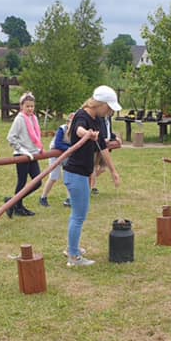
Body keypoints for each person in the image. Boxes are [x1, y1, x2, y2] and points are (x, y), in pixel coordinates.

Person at [63, 86, 122, 267]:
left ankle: (73, 248)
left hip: (83, 173)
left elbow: (103, 149)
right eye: (109, 107)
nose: (111, 111)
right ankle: (73, 256)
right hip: (75, 173)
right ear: (101, 104)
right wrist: (86, 134)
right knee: (78, 216)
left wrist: (113, 172)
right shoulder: (83, 115)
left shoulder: (98, 119)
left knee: (79, 214)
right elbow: (78, 129)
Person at [6, 92, 43, 217]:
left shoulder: (34, 118)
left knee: (37, 181)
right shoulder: (19, 119)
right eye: (27, 106)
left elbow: (35, 136)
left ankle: (13, 202)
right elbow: (11, 137)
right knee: (22, 181)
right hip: (22, 155)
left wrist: (38, 148)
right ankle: (18, 206)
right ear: (22, 106)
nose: (30, 109)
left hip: (33, 154)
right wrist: (21, 149)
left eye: (32, 106)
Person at [39, 113, 73, 208]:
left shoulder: (77, 131)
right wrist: (70, 148)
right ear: (68, 123)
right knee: (54, 176)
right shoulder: (62, 129)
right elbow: (58, 144)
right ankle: (43, 197)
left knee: (69, 176)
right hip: (55, 154)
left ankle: (69, 199)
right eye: (71, 123)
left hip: (67, 154)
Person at [89, 107, 120, 195]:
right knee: (94, 166)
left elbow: (108, 131)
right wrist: (102, 139)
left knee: (103, 168)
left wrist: (115, 138)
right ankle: (93, 187)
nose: (113, 112)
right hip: (97, 145)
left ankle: (89, 180)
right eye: (112, 110)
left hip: (106, 146)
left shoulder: (108, 118)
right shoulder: (99, 117)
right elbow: (99, 131)